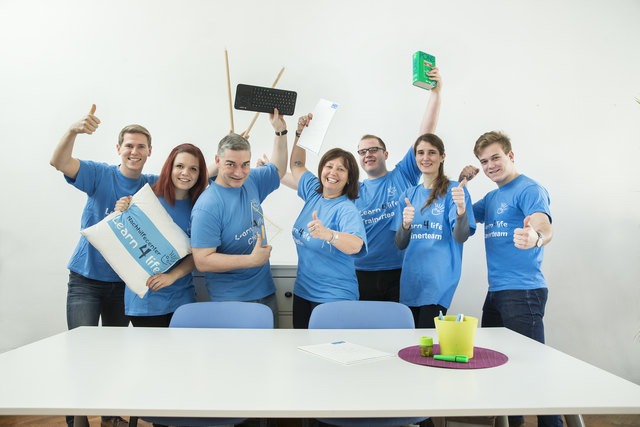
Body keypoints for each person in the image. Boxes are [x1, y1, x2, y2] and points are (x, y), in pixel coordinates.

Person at [50, 105, 156, 427]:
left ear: (150, 151)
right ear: (118, 149)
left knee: (112, 357)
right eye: (129, 145)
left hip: (124, 285)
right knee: (80, 355)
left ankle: (110, 417)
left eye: (140, 146)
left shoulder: (152, 185)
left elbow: (191, 174)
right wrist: (73, 130)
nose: (134, 151)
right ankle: (78, 422)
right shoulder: (100, 174)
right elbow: (58, 162)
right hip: (86, 279)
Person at [462, 131, 560, 427]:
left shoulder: (529, 189)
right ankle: (512, 422)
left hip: (523, 292)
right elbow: (463, 216)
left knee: (532, 367)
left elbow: (543, 223)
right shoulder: (491, 198)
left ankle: (551, 423)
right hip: (496, 293)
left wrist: (536, 237)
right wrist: (461, 183)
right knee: (499, 364)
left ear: (511, 156)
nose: (490, 165)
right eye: (484, 161)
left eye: (496, 157)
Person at [190, 109, 288, 326]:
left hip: (266, 292)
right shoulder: (208, 205)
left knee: (267, 357)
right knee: (235, 359)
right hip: (231, 300)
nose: (239, 172)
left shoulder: (250, 181)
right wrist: (251, 260)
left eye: (245, 164)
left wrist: (280, 132)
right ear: (217, 160)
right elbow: (202, 260)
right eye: (230, 164)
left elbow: (278, 169)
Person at [354, 67, 442, 302]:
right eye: (362, 151)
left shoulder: (402, 174)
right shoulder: (353, 191)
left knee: (400, 334)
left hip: (401, 271)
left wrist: (435, 93)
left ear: (386, 153)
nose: (368, 154)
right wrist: (274, 170)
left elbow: (426, 133)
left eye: (374, 149)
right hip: (360, 272)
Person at [114, 143, 208, 327]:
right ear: (170, 168)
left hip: (182, 299)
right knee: (153, 355)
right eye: (180, 166)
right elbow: (125, 242)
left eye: (193, 169)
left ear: (199, 174)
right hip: (145, 300)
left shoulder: (201, 208)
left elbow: (198, 253)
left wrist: (172, 276)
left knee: (181, 355)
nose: (185, 173)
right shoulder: (145, 201)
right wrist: (121, 211)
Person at [289, 114, 368, 329]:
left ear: (349, 178)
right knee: (304, 353)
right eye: (329, 166)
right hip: (303, 292)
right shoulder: (313, 193)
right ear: (321, 169)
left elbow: (356, 245)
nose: (333, 172)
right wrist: (300, 134)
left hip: (334, 297)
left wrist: (329, 235)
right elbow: (297, 164)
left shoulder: (346, 209)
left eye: (341, 169)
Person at [392, 133, 475, 328]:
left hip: (439, 282)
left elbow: (461, 236)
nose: (425, 157)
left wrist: (461, 210)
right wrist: (405, 225)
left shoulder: (455, 190)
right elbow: (400, 243)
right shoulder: (408, 195)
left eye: (432, 152)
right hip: (410, 282)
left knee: (426, 342)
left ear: (442, 157)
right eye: (420, 153)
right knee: (410, 345)